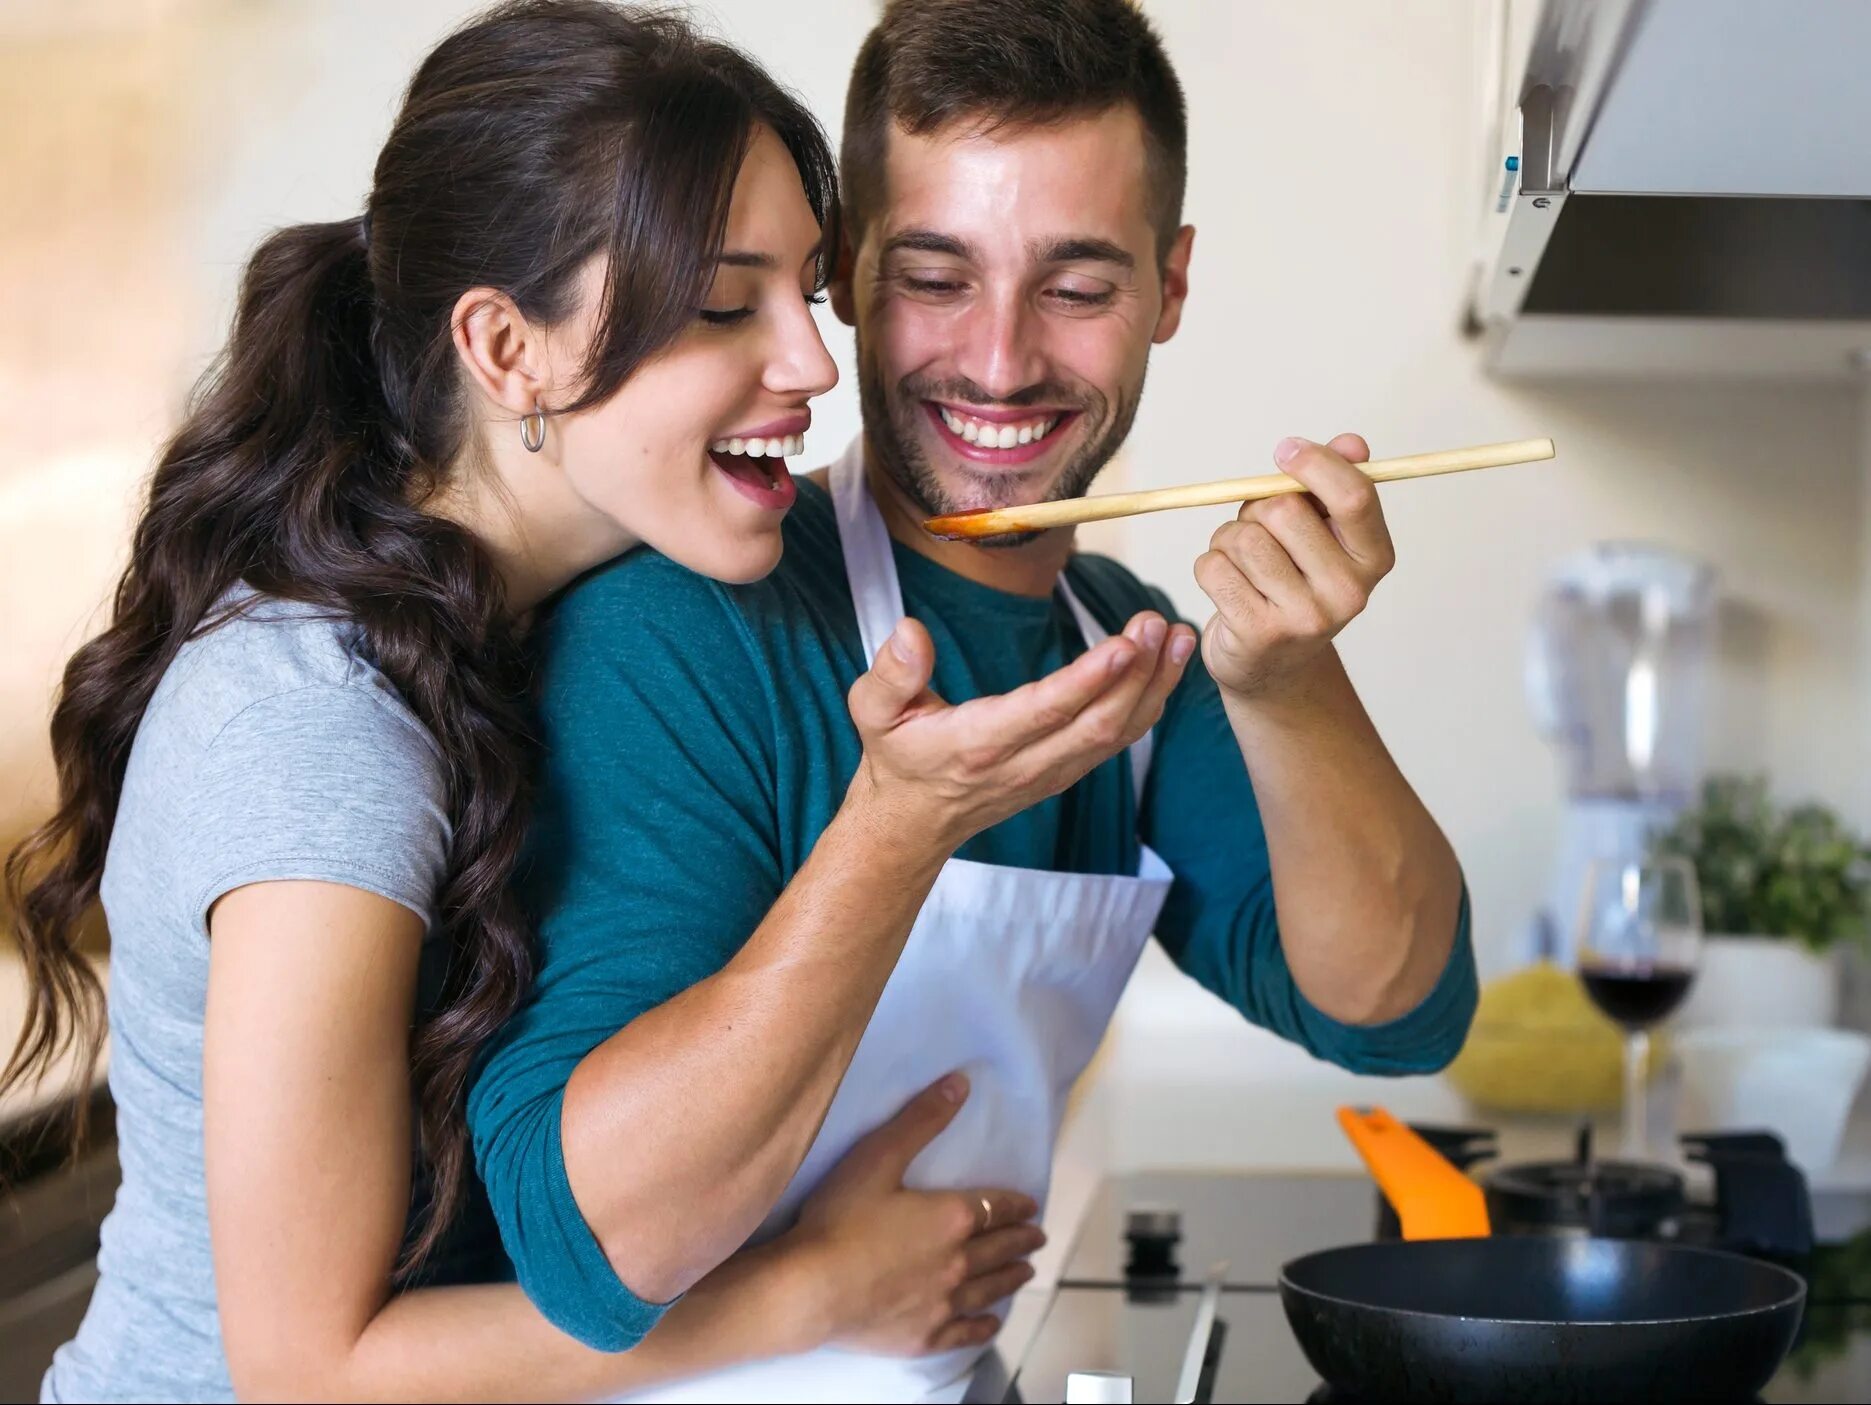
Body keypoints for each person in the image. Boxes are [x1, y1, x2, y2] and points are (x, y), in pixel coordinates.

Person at [4, 4, 1159, 1400]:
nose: (809, 365)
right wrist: (811, 1292)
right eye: (728, 305)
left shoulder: (513, 631)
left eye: (808, 286)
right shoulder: (323, 727)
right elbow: (308, 1369)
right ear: (507, 351)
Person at [465, 0, 1479, 1399]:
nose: (1000, 363)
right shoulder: (681, 628)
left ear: (1171, 287)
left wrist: (1291, 683)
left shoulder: (1121, 643)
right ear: (850, 276)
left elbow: (1397, 1009)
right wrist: (896, 827)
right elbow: (597, 1240)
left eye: (1077, 287)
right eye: (935, 276)